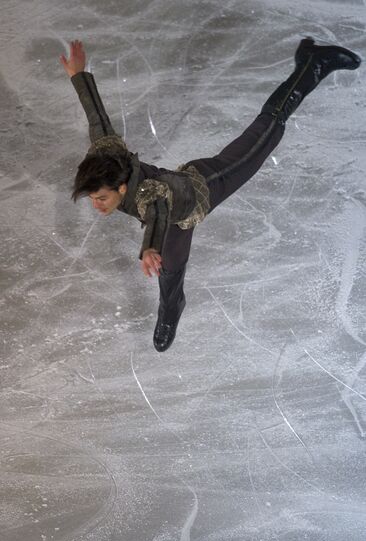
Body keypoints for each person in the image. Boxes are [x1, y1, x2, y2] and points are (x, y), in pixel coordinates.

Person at [60, 37, 361, 352]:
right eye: (93, 199)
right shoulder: (108, 157)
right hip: (176, 217)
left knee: (265, 134)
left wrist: (149, 248)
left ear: (122, 188)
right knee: (171, 266)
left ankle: (312, 65)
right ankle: (170, 310)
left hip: (203, 186)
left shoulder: (149, 193)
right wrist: (77, 75)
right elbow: (98, 121)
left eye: (101, 199)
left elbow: (159, 208)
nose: (97, 206)